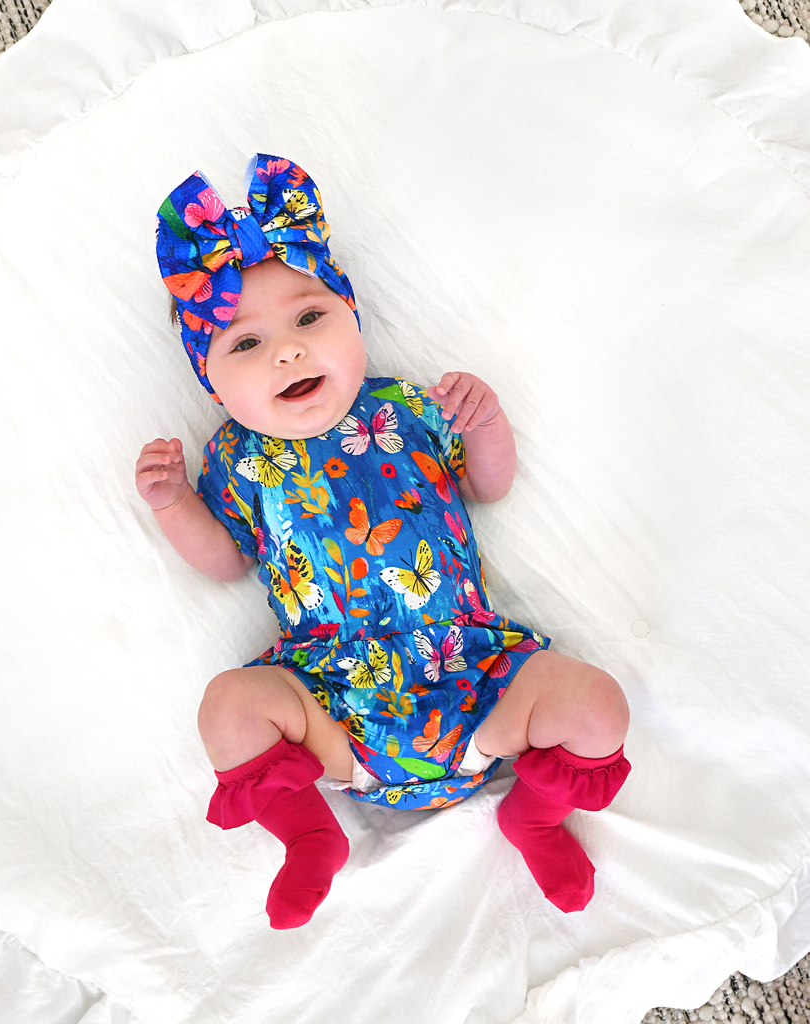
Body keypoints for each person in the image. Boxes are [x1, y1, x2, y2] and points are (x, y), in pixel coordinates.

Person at [136, 154, 631, 930]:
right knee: (228, 706)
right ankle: (309, 833)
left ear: (351, 318)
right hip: (331, 708)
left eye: (309, 319)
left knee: (595, 705)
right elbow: (226, 561)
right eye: (245, 345)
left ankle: (533, 817)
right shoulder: (235, 460)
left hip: (471, 675)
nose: (287, 351)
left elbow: (488, 486)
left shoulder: (405, 408)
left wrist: (484, 424)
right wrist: (173, 507)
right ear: (211, 382)